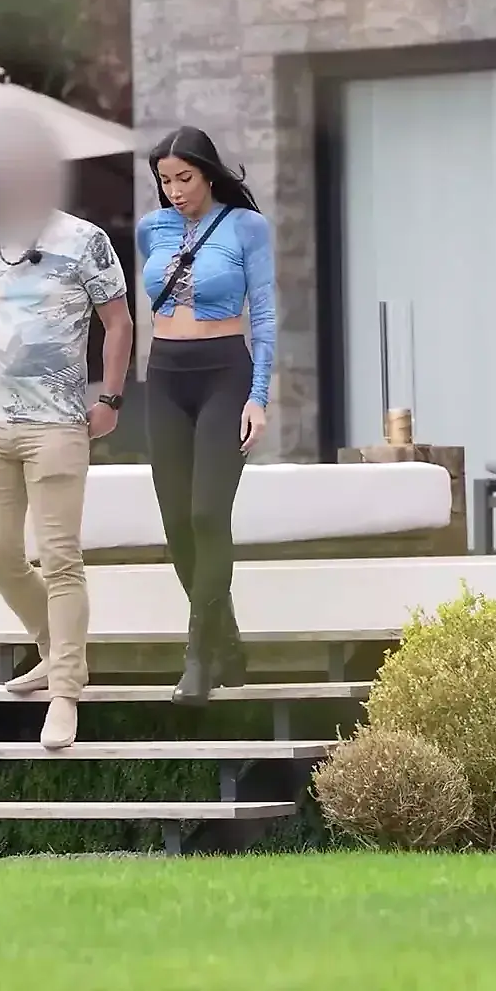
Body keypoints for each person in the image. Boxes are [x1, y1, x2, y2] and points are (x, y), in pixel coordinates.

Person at [0, 111, 134, 749]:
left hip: (55, 424)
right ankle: (54, 649)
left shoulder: (85, 241)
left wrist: (110, 397)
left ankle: (65, 693)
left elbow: (119, 323)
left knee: (59, 558)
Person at [135, 126, 276, 706]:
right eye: (165, 180)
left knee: (207, 514)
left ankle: (198, 656)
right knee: (176, 523)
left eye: (185, 178)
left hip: (225, 372)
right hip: (166, 374)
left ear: (208, 173)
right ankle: (228, 639)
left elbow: (263, 314)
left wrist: (258, 396)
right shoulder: (151, 229)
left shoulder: (246, 227)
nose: (175, 190)